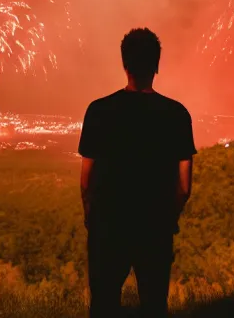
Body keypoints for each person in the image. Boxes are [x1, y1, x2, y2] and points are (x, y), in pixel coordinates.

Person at [79, 28, 196, 318]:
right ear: (157, 65)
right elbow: (183, 187)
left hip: (108, 227)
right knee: (155, 305)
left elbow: (86, 181)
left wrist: (91, 217)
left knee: (103, 305)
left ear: (124, 64)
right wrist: (169, 218)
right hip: (155, 228)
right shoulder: (177, 115)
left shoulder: (99, 111)